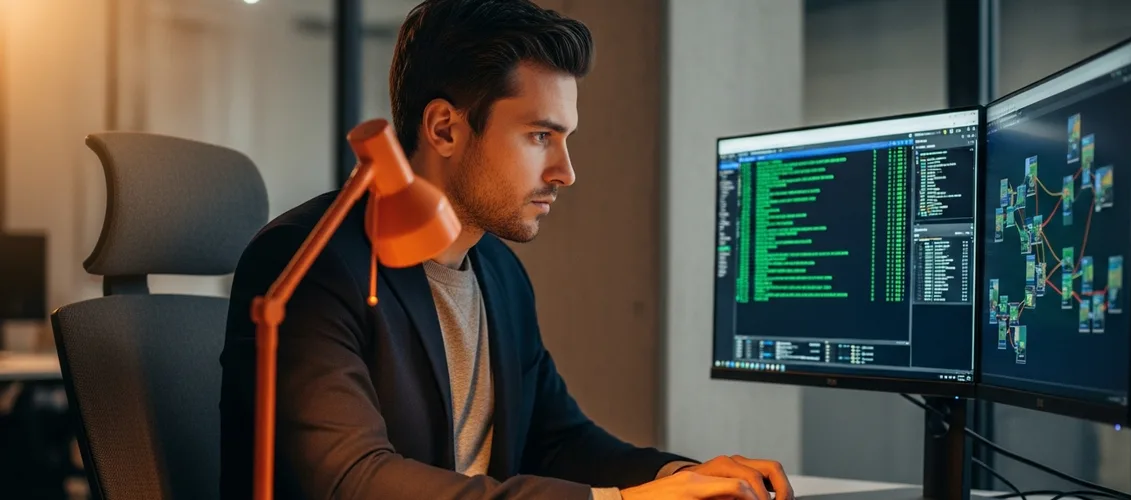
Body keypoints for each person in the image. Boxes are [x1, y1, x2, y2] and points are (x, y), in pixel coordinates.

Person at [219, 1, 795, 499]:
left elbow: (558, 439)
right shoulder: (307, 264)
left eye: (566, 139)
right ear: (444, 128)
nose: (566, 172)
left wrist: (687, 477)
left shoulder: (499, 273)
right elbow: (353, 482)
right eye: (540, 136)